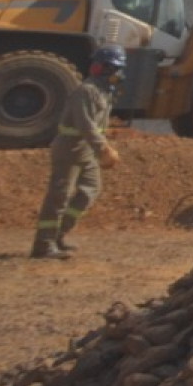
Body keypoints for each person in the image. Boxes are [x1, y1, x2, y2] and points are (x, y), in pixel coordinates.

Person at [31, 45, 125, 260]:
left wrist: (100, 146)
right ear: (102, 68)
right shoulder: (85, 91)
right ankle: (43, 245)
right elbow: (86, 125)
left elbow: (97, 126)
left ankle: (58, 235)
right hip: (70, 148)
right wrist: (103, 148)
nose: (118, 74)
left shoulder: (103, 92)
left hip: (87, 150)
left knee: (89, 190)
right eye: (115, 69)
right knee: (59, 195)